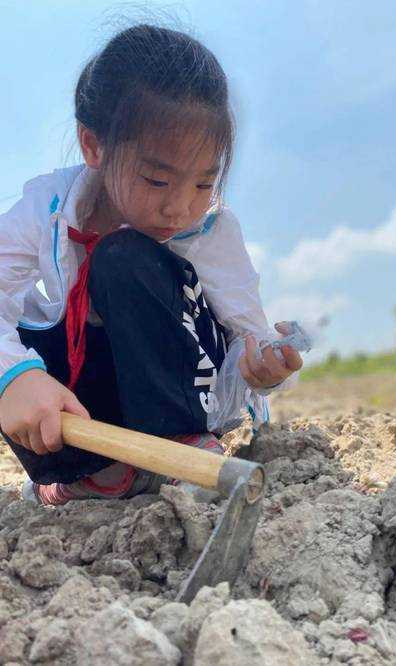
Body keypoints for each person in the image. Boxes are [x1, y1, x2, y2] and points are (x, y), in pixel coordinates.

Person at [0, 23, 302, 506]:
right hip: (91, 413)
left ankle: (179, 447)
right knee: (18, 339)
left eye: (203, 184)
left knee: (122, 256)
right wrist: (11, 378)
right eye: (158, 181)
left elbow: (249, 331)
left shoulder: (212, 231)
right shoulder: (48, 210)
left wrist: (262, 363)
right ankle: (94, 473)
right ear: (93, 145)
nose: (180, 208)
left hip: (181, 398)